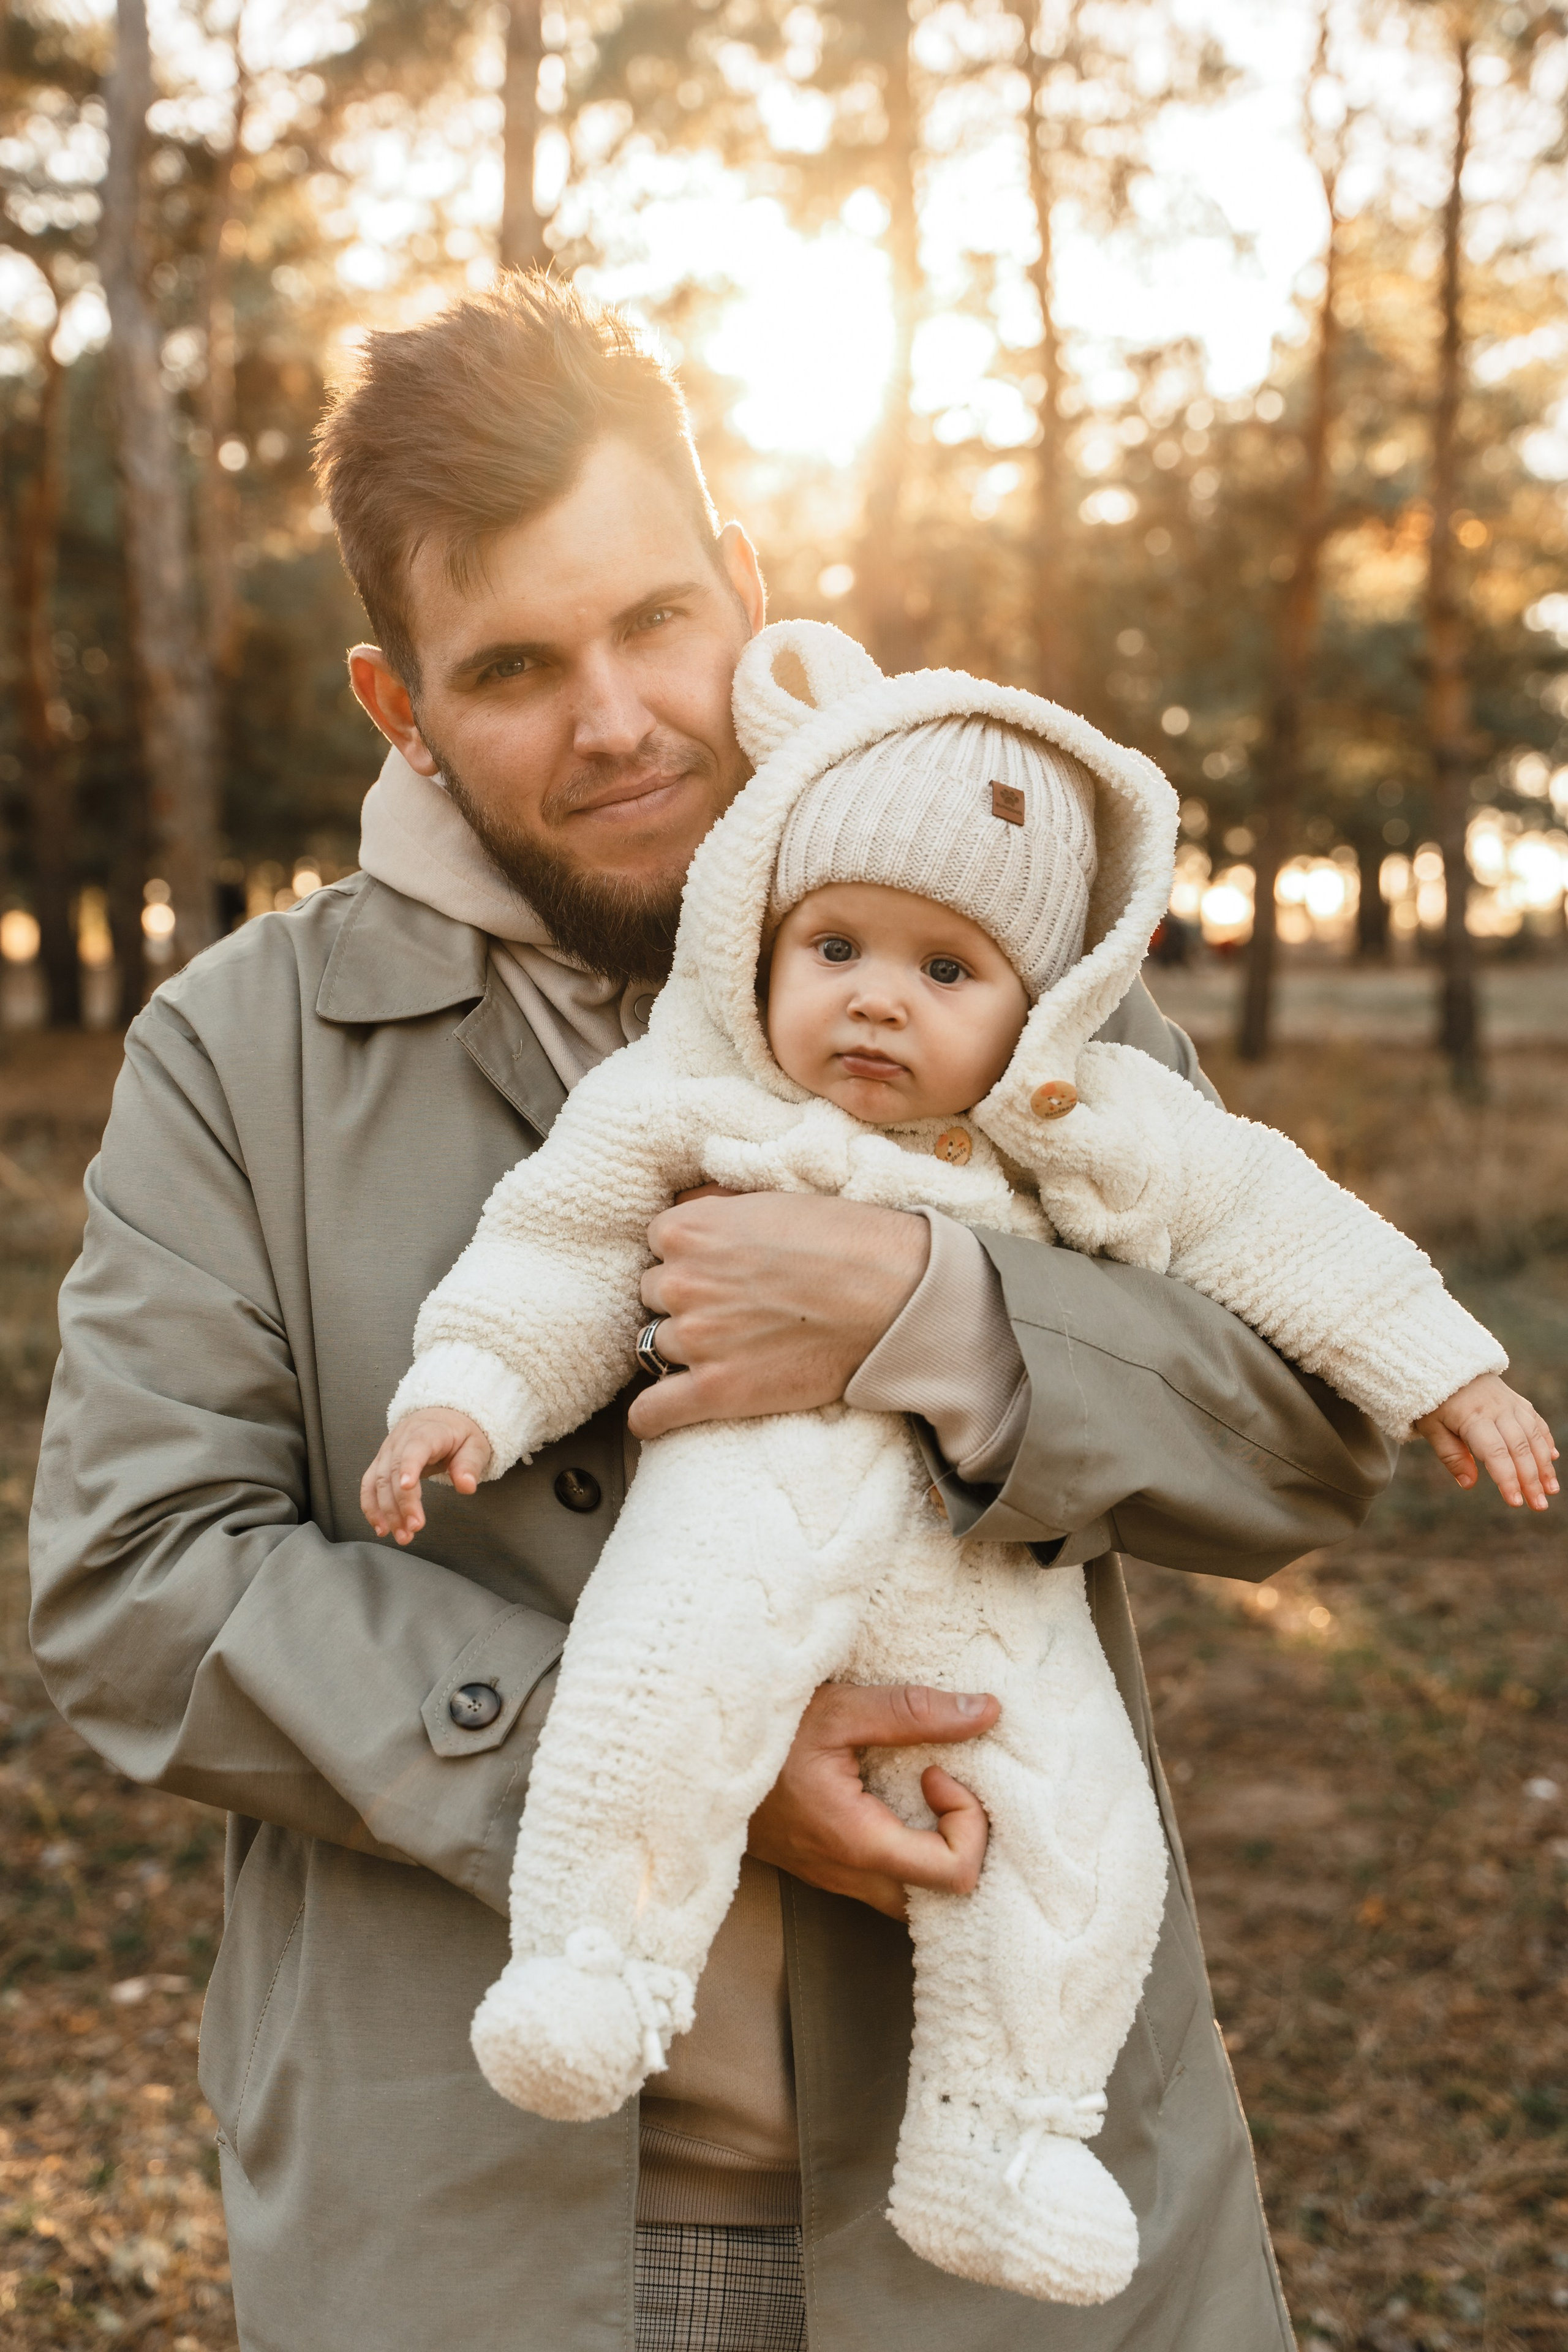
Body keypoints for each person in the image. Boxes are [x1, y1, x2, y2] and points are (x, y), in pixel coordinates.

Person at [33, 272, 1404, 2352]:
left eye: (655, 620)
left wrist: (942, 1313)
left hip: (1012, 2241)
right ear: (398, 707)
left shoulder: (1002, 968)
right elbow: (137, 1581)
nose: (618, 720)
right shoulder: (239, 1054)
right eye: (511, 665)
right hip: (471, 2237)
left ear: (748, 590)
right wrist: (671, 1754)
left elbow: (1303, 1437)